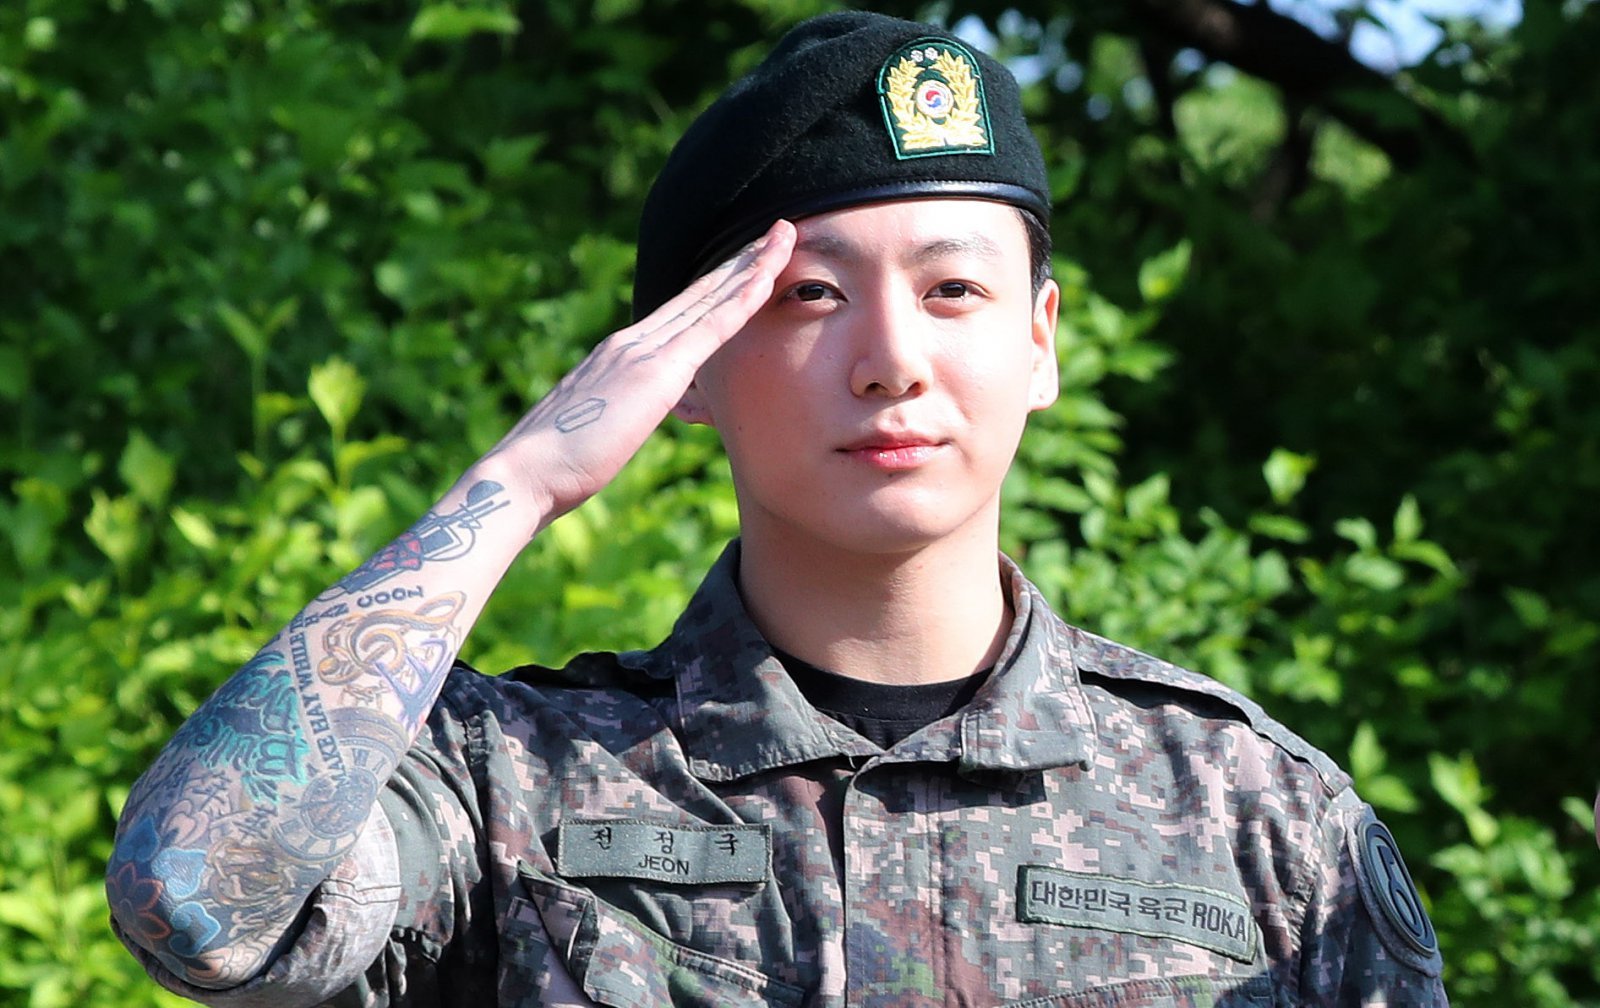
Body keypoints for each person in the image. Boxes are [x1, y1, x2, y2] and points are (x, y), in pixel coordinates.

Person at [106, 11, 1448, 1006]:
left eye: (955, 290)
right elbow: (193, 904)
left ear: (1041, 341)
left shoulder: (1259, 821)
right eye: (812, 295)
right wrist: (519, 484)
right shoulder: (511, 785)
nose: (893, 359)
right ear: (686, 365)